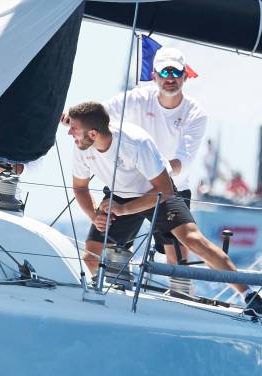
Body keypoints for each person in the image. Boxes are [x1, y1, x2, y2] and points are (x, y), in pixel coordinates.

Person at [68, 101, 262, 315]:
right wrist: (94, 215)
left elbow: (164, 189)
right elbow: (80, 187)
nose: (69, 132)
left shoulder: (135, 143)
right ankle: (109, 298)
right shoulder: (82, 147)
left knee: (193, 240)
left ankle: (248, 294)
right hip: (118, 195)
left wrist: (124, 210)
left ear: (94, 133)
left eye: (74, 128)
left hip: (156, 194)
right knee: (91, 255)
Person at [64, 47, 206, 269]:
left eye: (176, 73)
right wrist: (70, 120)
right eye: (164, 73)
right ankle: (107, 290)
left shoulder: (195, 112)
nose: (170, 78)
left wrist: (153, 171)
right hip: (126, 184)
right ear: (154, 76)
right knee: (93, 254)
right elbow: (97, 116)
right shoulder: (135, 98)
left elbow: (183, 161)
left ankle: (181, 293)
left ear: (185, 75)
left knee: (176, 258)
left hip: (168, 187)